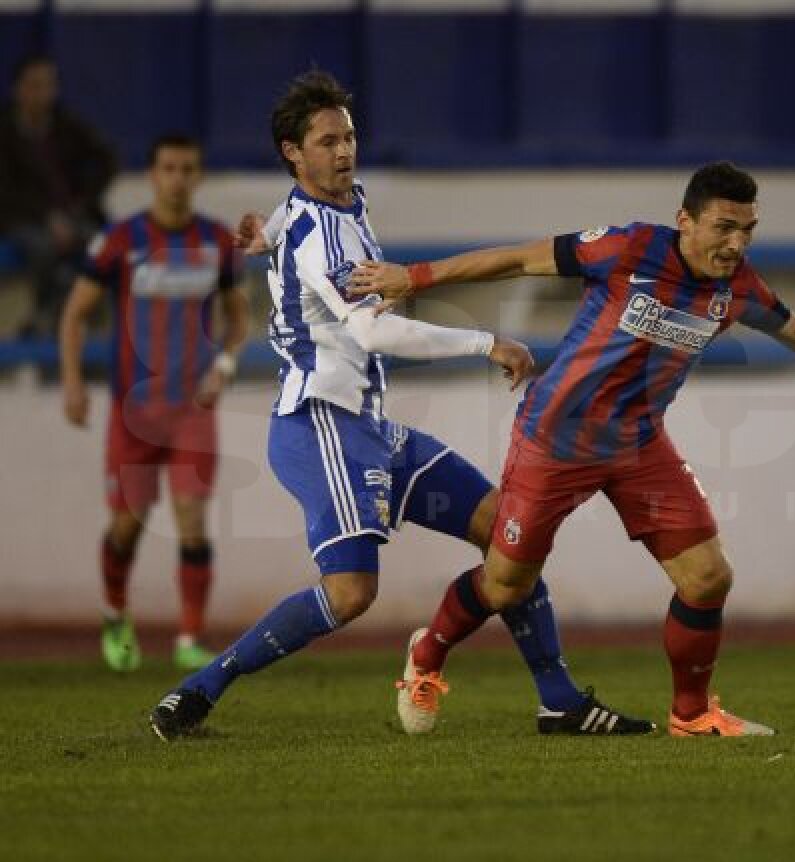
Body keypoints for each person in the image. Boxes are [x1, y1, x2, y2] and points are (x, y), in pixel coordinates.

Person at [348, 161, 795, 737]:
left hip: (638, 443)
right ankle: (428, 652)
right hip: (556, 438)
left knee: (707, 577)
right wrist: (415, 277)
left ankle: (693, 715)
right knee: (506, 585)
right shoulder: (627, 248)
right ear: (685, 221)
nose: (737, 244)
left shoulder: (737, 287)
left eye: (748, 230)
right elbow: (518, 259)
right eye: (724, 227)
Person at [149, 70, 652, 740]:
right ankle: (198, 690)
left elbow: (290, 222)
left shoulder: (334, 204)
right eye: (327, 141)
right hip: (320, 423)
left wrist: (262, 236)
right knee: (352, 592)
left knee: (506, 532)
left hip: (367, 424)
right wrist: (486, 343)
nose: (344, 151)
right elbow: (373, 332)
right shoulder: (325, 233)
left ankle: (559, 701)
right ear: (292, 152)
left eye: (349, 137)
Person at [59, 134, 249, 672]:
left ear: (199, 175)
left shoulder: (217, 241)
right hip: (133, 413)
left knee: (193, 521)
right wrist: (73, 382)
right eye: (169, 168)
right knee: (128, 527)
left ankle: (189, 636)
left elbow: (239, 318)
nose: (178, 178)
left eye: (188, 169)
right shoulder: (122, 240)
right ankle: (115, 614)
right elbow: (74, 314)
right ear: (152, 175)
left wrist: (224, 365)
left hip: (191, 411)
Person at [1, 54, 117, 337]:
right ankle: (51, 319)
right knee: (43, 248)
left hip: (71, 216)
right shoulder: (5, 132)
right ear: (18, 89)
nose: (43, 93)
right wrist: (48, 217)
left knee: (102, 246)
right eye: (34, 85)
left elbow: (107, 159)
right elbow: (7, 193)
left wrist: (81, 203)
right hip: (23, 218)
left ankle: (79, 318)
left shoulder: (66, 124)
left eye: (48, 85)